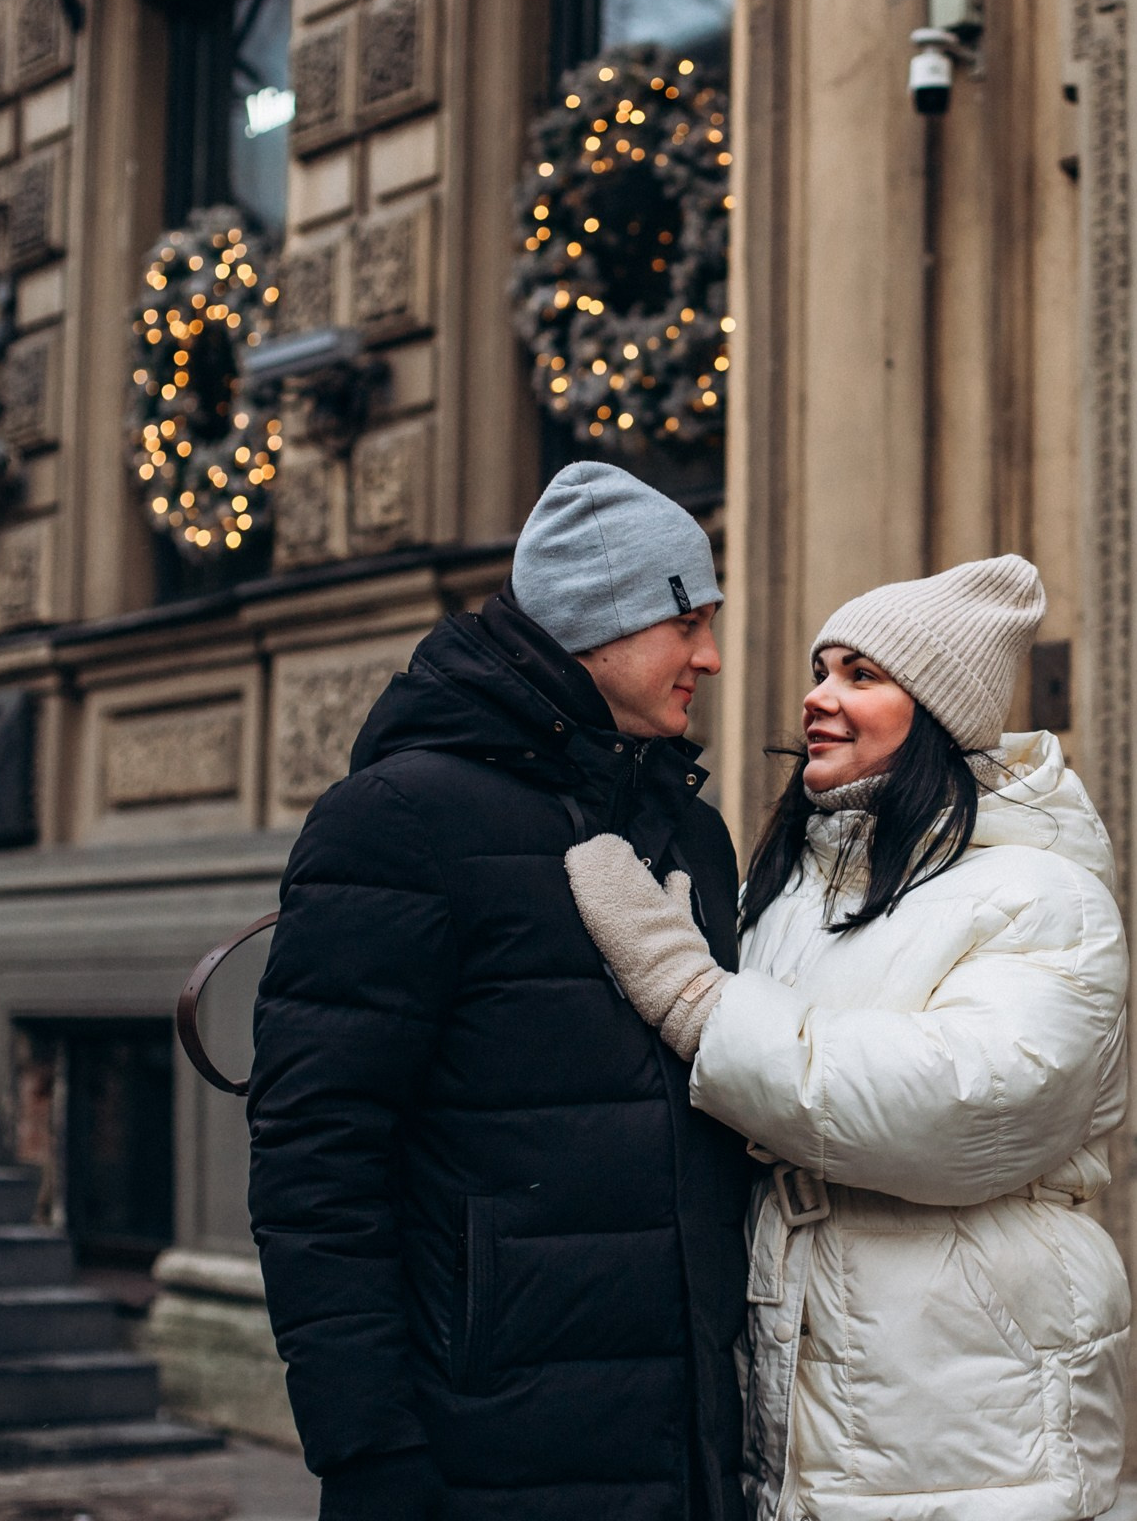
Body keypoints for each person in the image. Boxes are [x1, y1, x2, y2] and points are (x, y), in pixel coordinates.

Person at [566, 554, 1131, 1521]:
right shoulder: (794, 889)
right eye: (824, 670)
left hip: (965, 1411)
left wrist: (693, 996)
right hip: (814, 1405)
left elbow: (963, 1104)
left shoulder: (1044, 897)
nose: (817, 699)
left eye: (860, 677)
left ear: (941, 715)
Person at [248, 461, 755, 1521]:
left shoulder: (688, 827)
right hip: (477, 1450)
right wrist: (367, 1441)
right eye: (686, 623)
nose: (709, 654)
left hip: (680, 1447)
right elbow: (316, 1154)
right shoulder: (401, 821)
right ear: (598, 625)